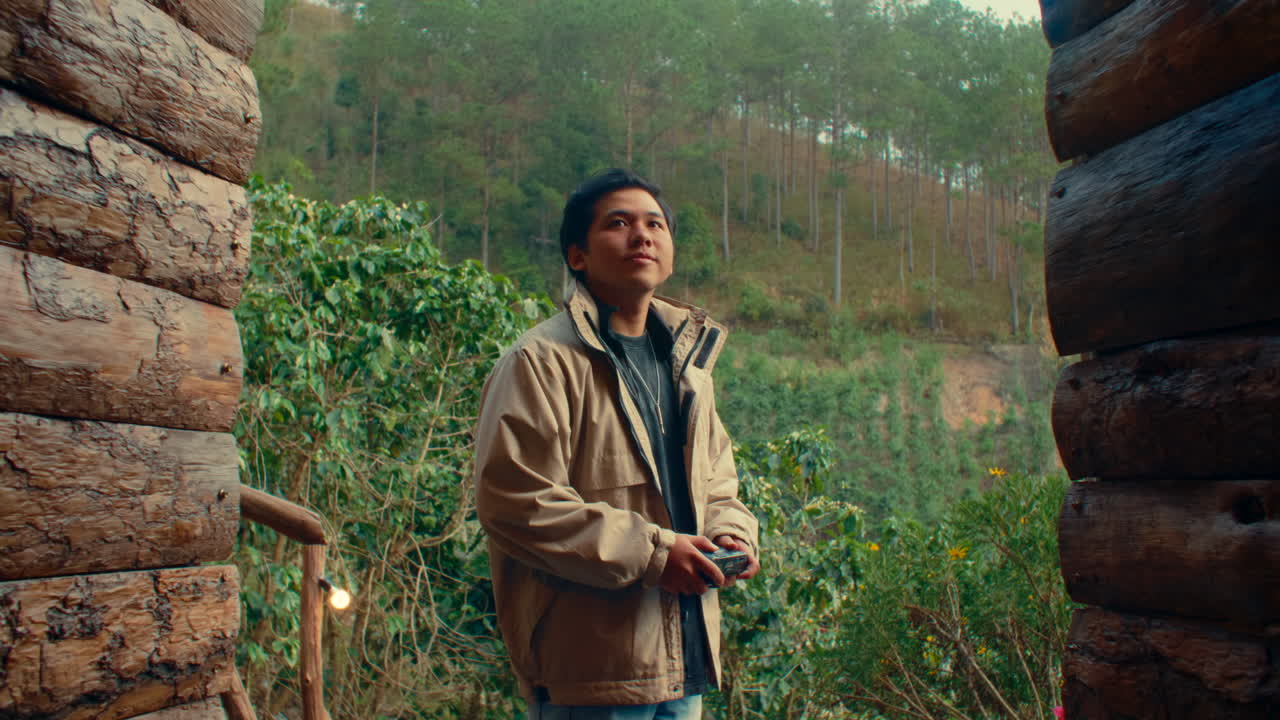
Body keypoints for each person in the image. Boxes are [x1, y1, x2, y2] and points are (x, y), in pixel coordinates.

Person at [473, 168, 760, 720]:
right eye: (619, 223)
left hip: (686, 659)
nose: (642, 235)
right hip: (591, 671)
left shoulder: (688, 364)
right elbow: (514, 502)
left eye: (655, 224)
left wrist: (732, 532)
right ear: (578, 256)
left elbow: (718, 476)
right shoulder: (540, 362)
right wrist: (656, 554)